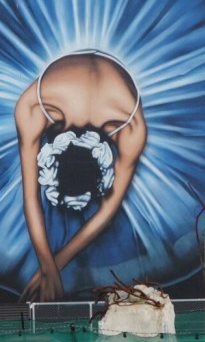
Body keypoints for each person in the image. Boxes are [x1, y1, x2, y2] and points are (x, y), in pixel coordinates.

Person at [15, 50, 147, 302]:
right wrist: (49, 268)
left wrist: (50, 268)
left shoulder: (33, 108)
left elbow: (32, 198)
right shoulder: (131, 127)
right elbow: (106, 210)